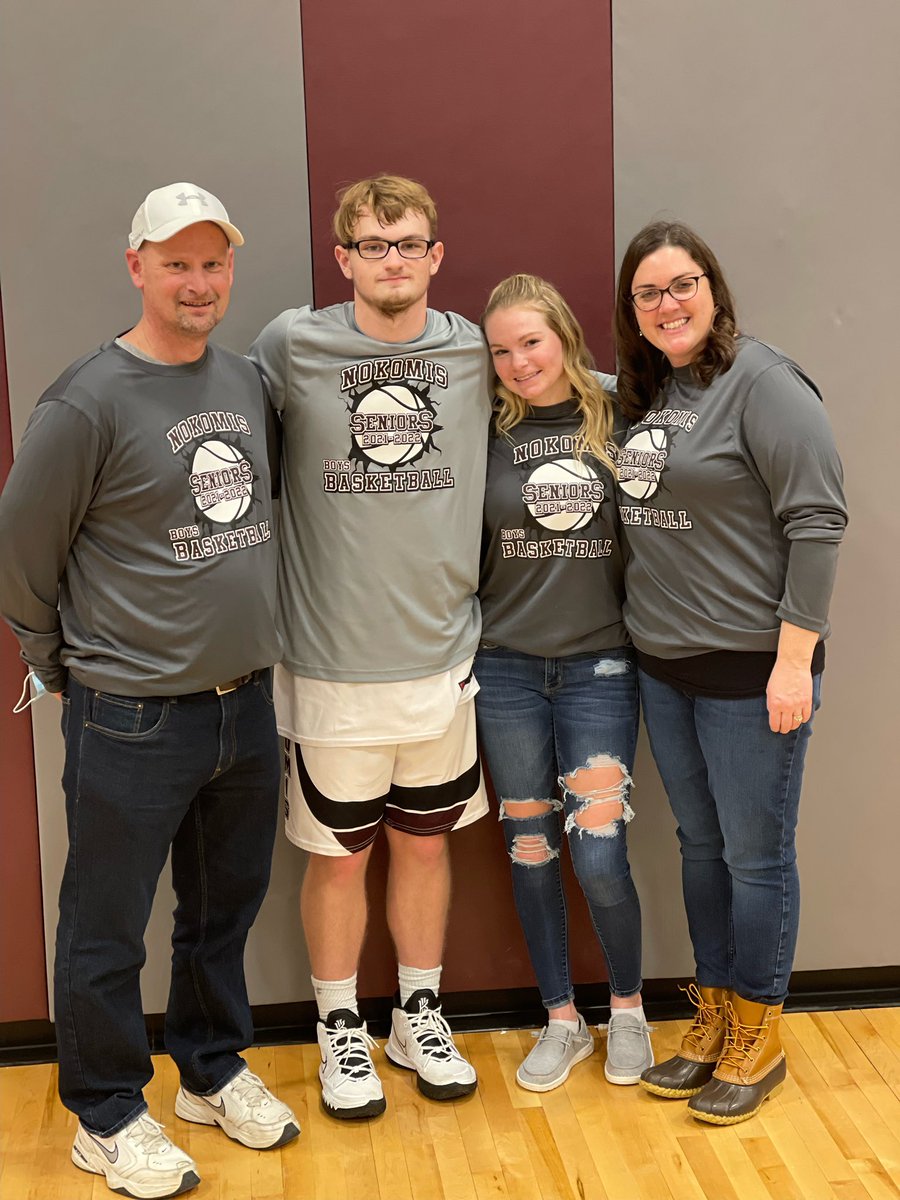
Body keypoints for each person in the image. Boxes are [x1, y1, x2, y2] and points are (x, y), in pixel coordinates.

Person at [0, 183, 299, 1200]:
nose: (199, 281)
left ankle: (210, 1072)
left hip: (245, 706)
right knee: (106, 925)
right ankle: (107, 1113)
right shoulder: (85, 400)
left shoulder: (248, 381)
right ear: (137, 267)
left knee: (223, 913)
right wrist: (59, 659)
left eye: (213, 263)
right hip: (130, 715)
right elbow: (20, 553)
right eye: (177, 263)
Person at [249, 174, 490, 1119]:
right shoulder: (289, 345)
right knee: (340, 858)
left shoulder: (473, 350)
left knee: (425, 847)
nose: (392, 261)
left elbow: (572, 384)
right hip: (331, 666)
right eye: (373, 245)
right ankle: (339, 1026)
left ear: (436, 256)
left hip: (444, 660)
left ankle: (417, 1013)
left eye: (409, 244)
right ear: (342, 258)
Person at [612, 220, 847, 1125]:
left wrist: (795, 663)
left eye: (683, 285)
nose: (668, 304)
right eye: (648, 293)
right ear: (632, 311)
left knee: (756, 858)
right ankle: (712, 1018)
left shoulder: (766, 383)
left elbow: (818, 522)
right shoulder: (652, 389)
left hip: (755, 672)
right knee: (701, 849)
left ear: (713, 288)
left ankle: (762, 1029)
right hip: (666, 667)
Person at [475, 274, 652, 1092]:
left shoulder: (622, 412)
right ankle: (560, 1018)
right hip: (504, 668)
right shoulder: (483, 428)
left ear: (565, 337)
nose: (517, 362)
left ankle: (626, 1009)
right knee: (532, 848)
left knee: (602, 853)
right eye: (501, 349)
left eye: (531, 342)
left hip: (600, 667)